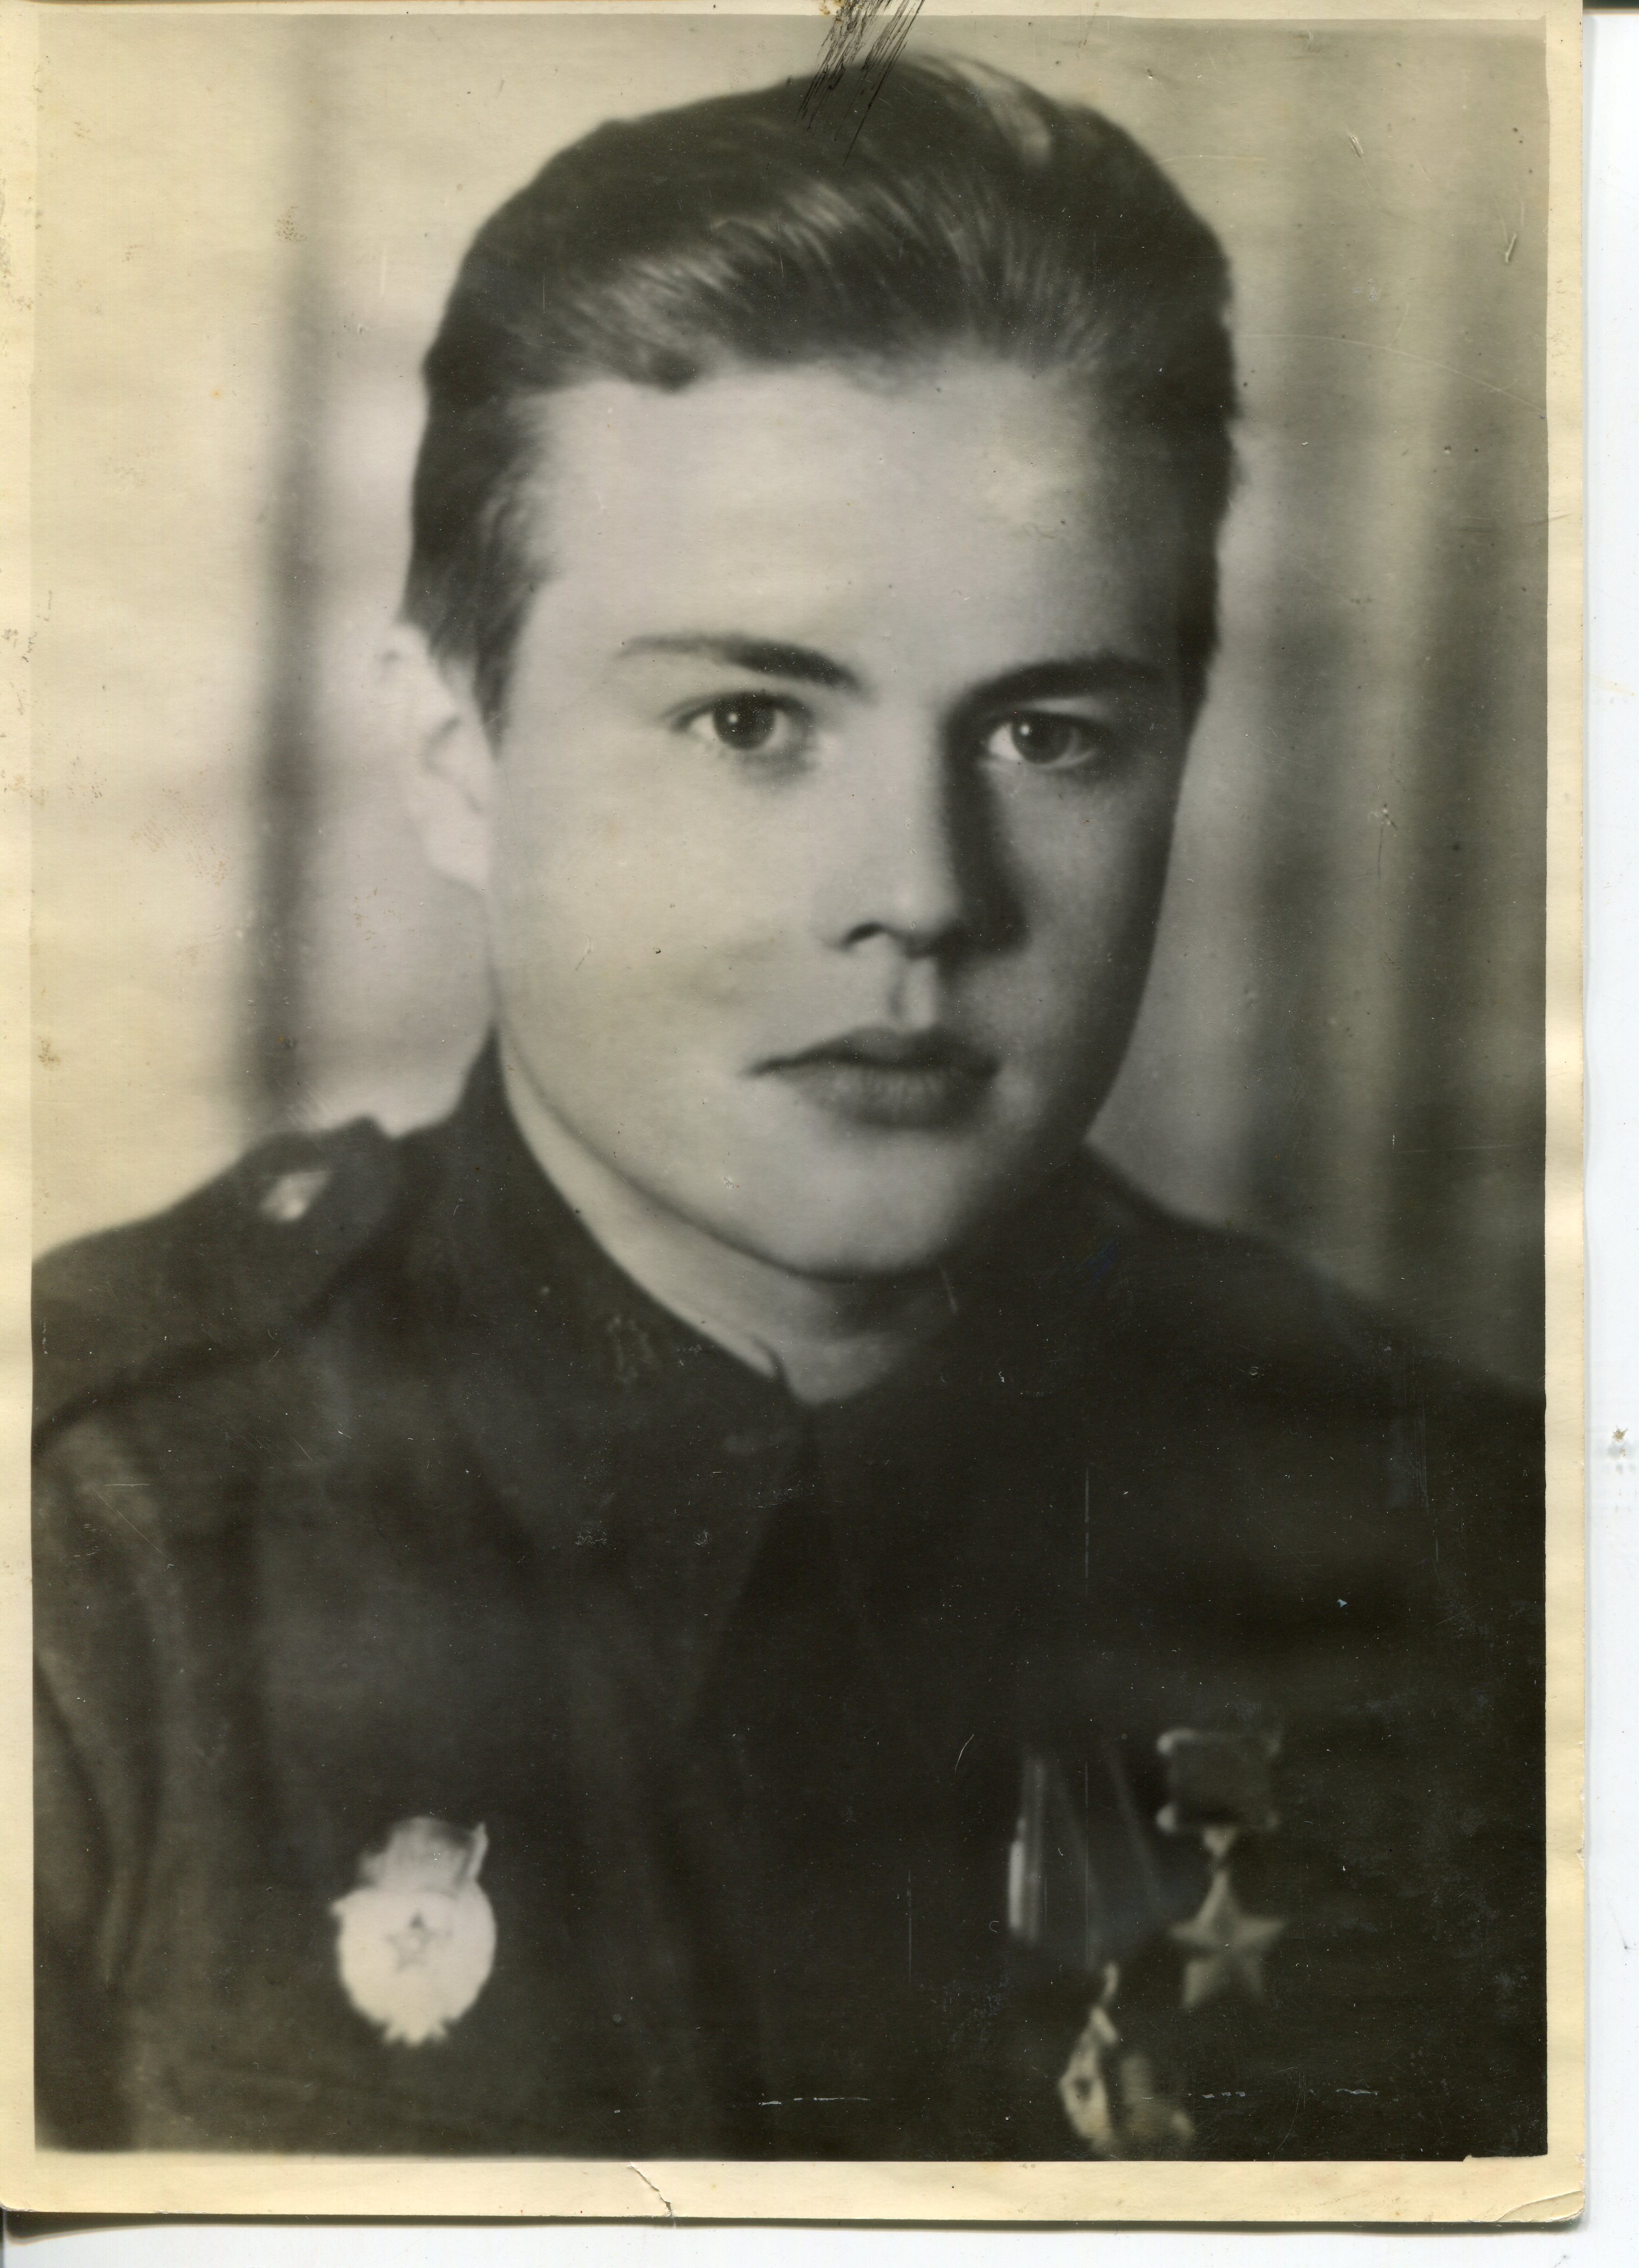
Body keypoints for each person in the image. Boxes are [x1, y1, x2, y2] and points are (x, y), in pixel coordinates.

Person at [33, 55, 1544, 2160]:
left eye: (1046, 733)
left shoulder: (1472, 1552)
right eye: (751, 719)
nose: (919, 894)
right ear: (457, 756)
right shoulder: (93, 1552)